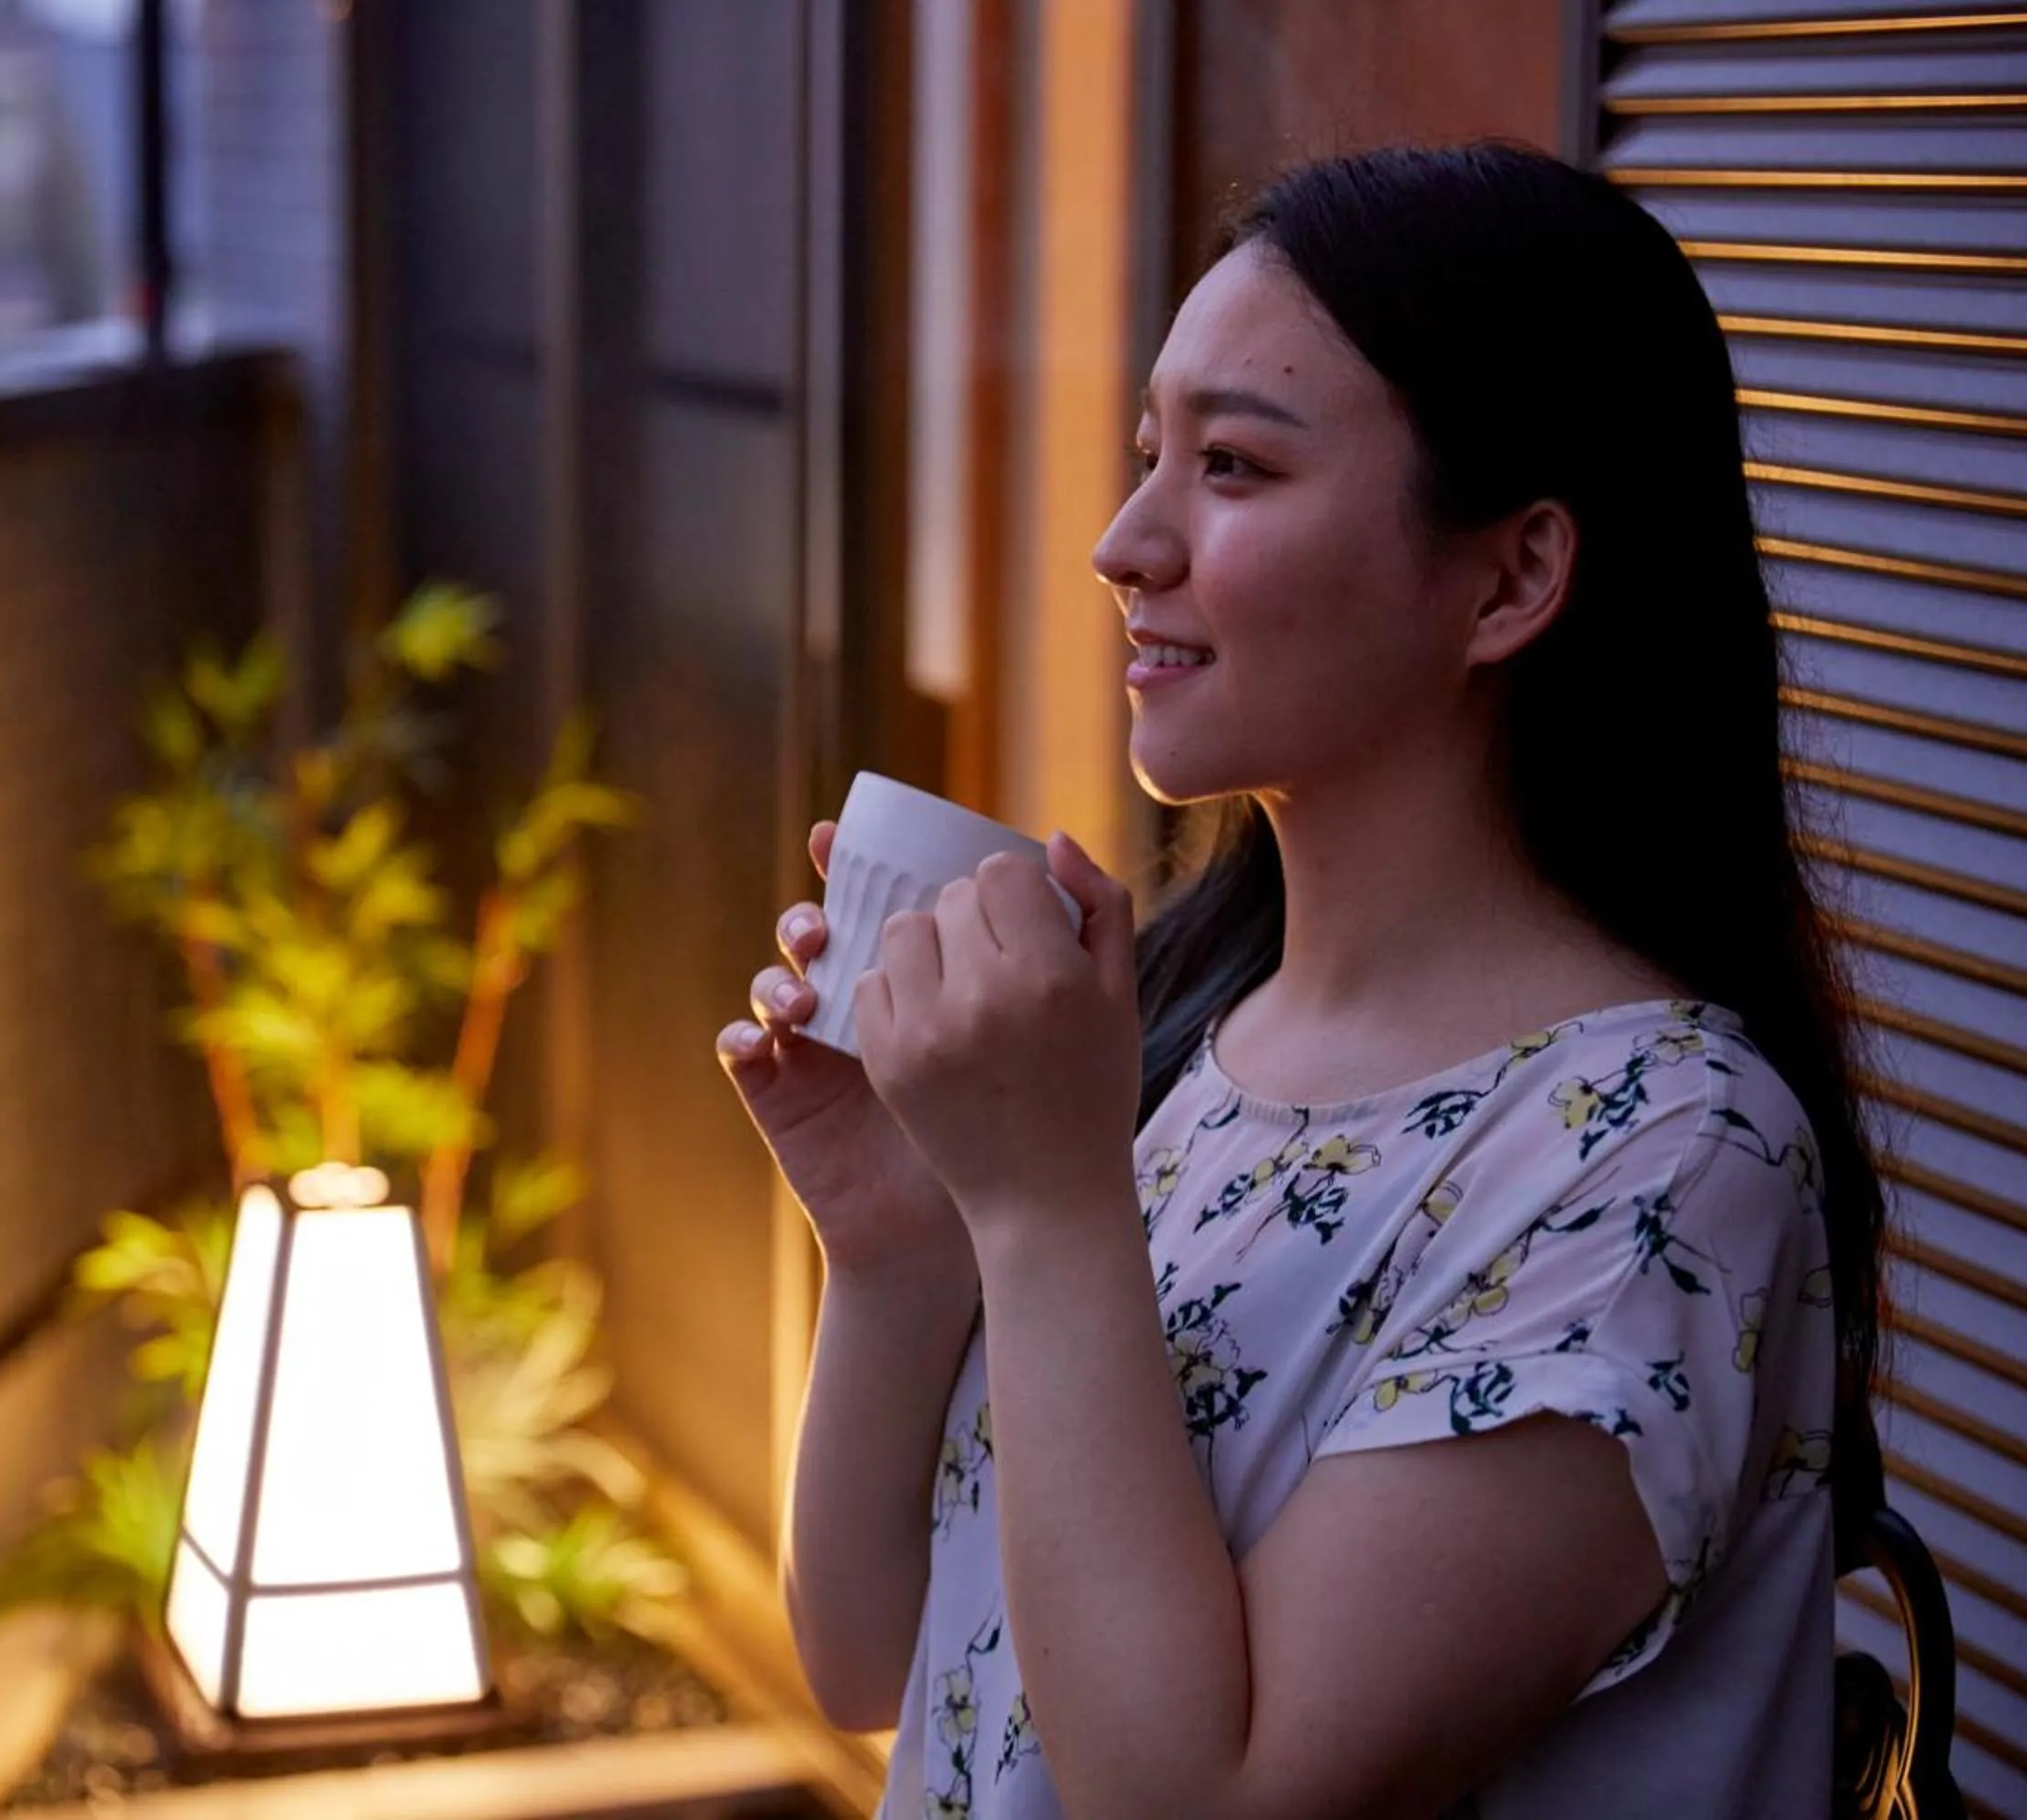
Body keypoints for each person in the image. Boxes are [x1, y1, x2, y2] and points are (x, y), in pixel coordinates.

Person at [716, 142, 1883, 1820]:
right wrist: (903, 1245)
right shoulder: (1185, 1026)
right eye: (1150, 456)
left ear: (1512, 579)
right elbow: (877, 1660)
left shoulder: (1663, 1161)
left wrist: (1043, 1207)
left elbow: (1205, 1802)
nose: (1124, 543)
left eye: (1235, 467)